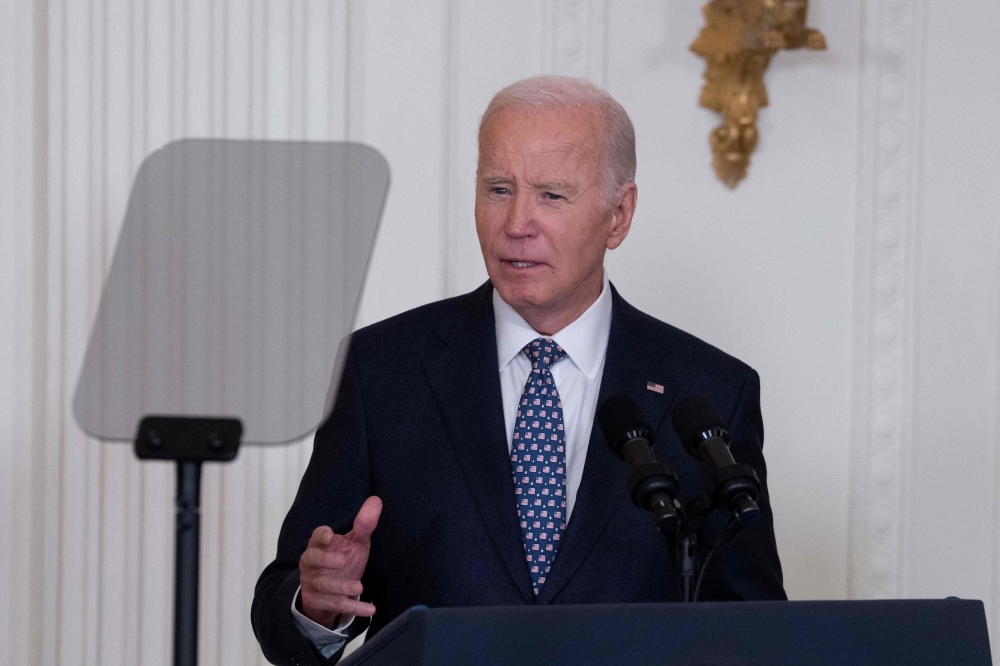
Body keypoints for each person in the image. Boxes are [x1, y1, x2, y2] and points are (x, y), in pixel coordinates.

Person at [252, 75, 785, 666]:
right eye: (498, 189)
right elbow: (281, 610)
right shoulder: (384, 370)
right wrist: (317, 604)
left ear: (619, 214)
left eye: (552, 195)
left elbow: (754, 626)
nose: (516, 223)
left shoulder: (708, 393)